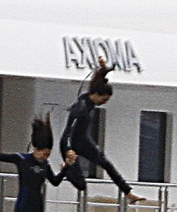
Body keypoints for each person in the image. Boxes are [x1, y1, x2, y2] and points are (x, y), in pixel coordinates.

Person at [61, 57, 144, 204]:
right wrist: (68, 150)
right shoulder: (81, 107)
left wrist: (104, 69)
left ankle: (128, 193)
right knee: (81, 185)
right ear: (97, 95)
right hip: (70, 143)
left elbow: (98, 80)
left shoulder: (92, 96)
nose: (104, 103)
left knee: (106, 163)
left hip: (83, 140)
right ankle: (65, 169)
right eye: (104, 100)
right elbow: (69, 129)